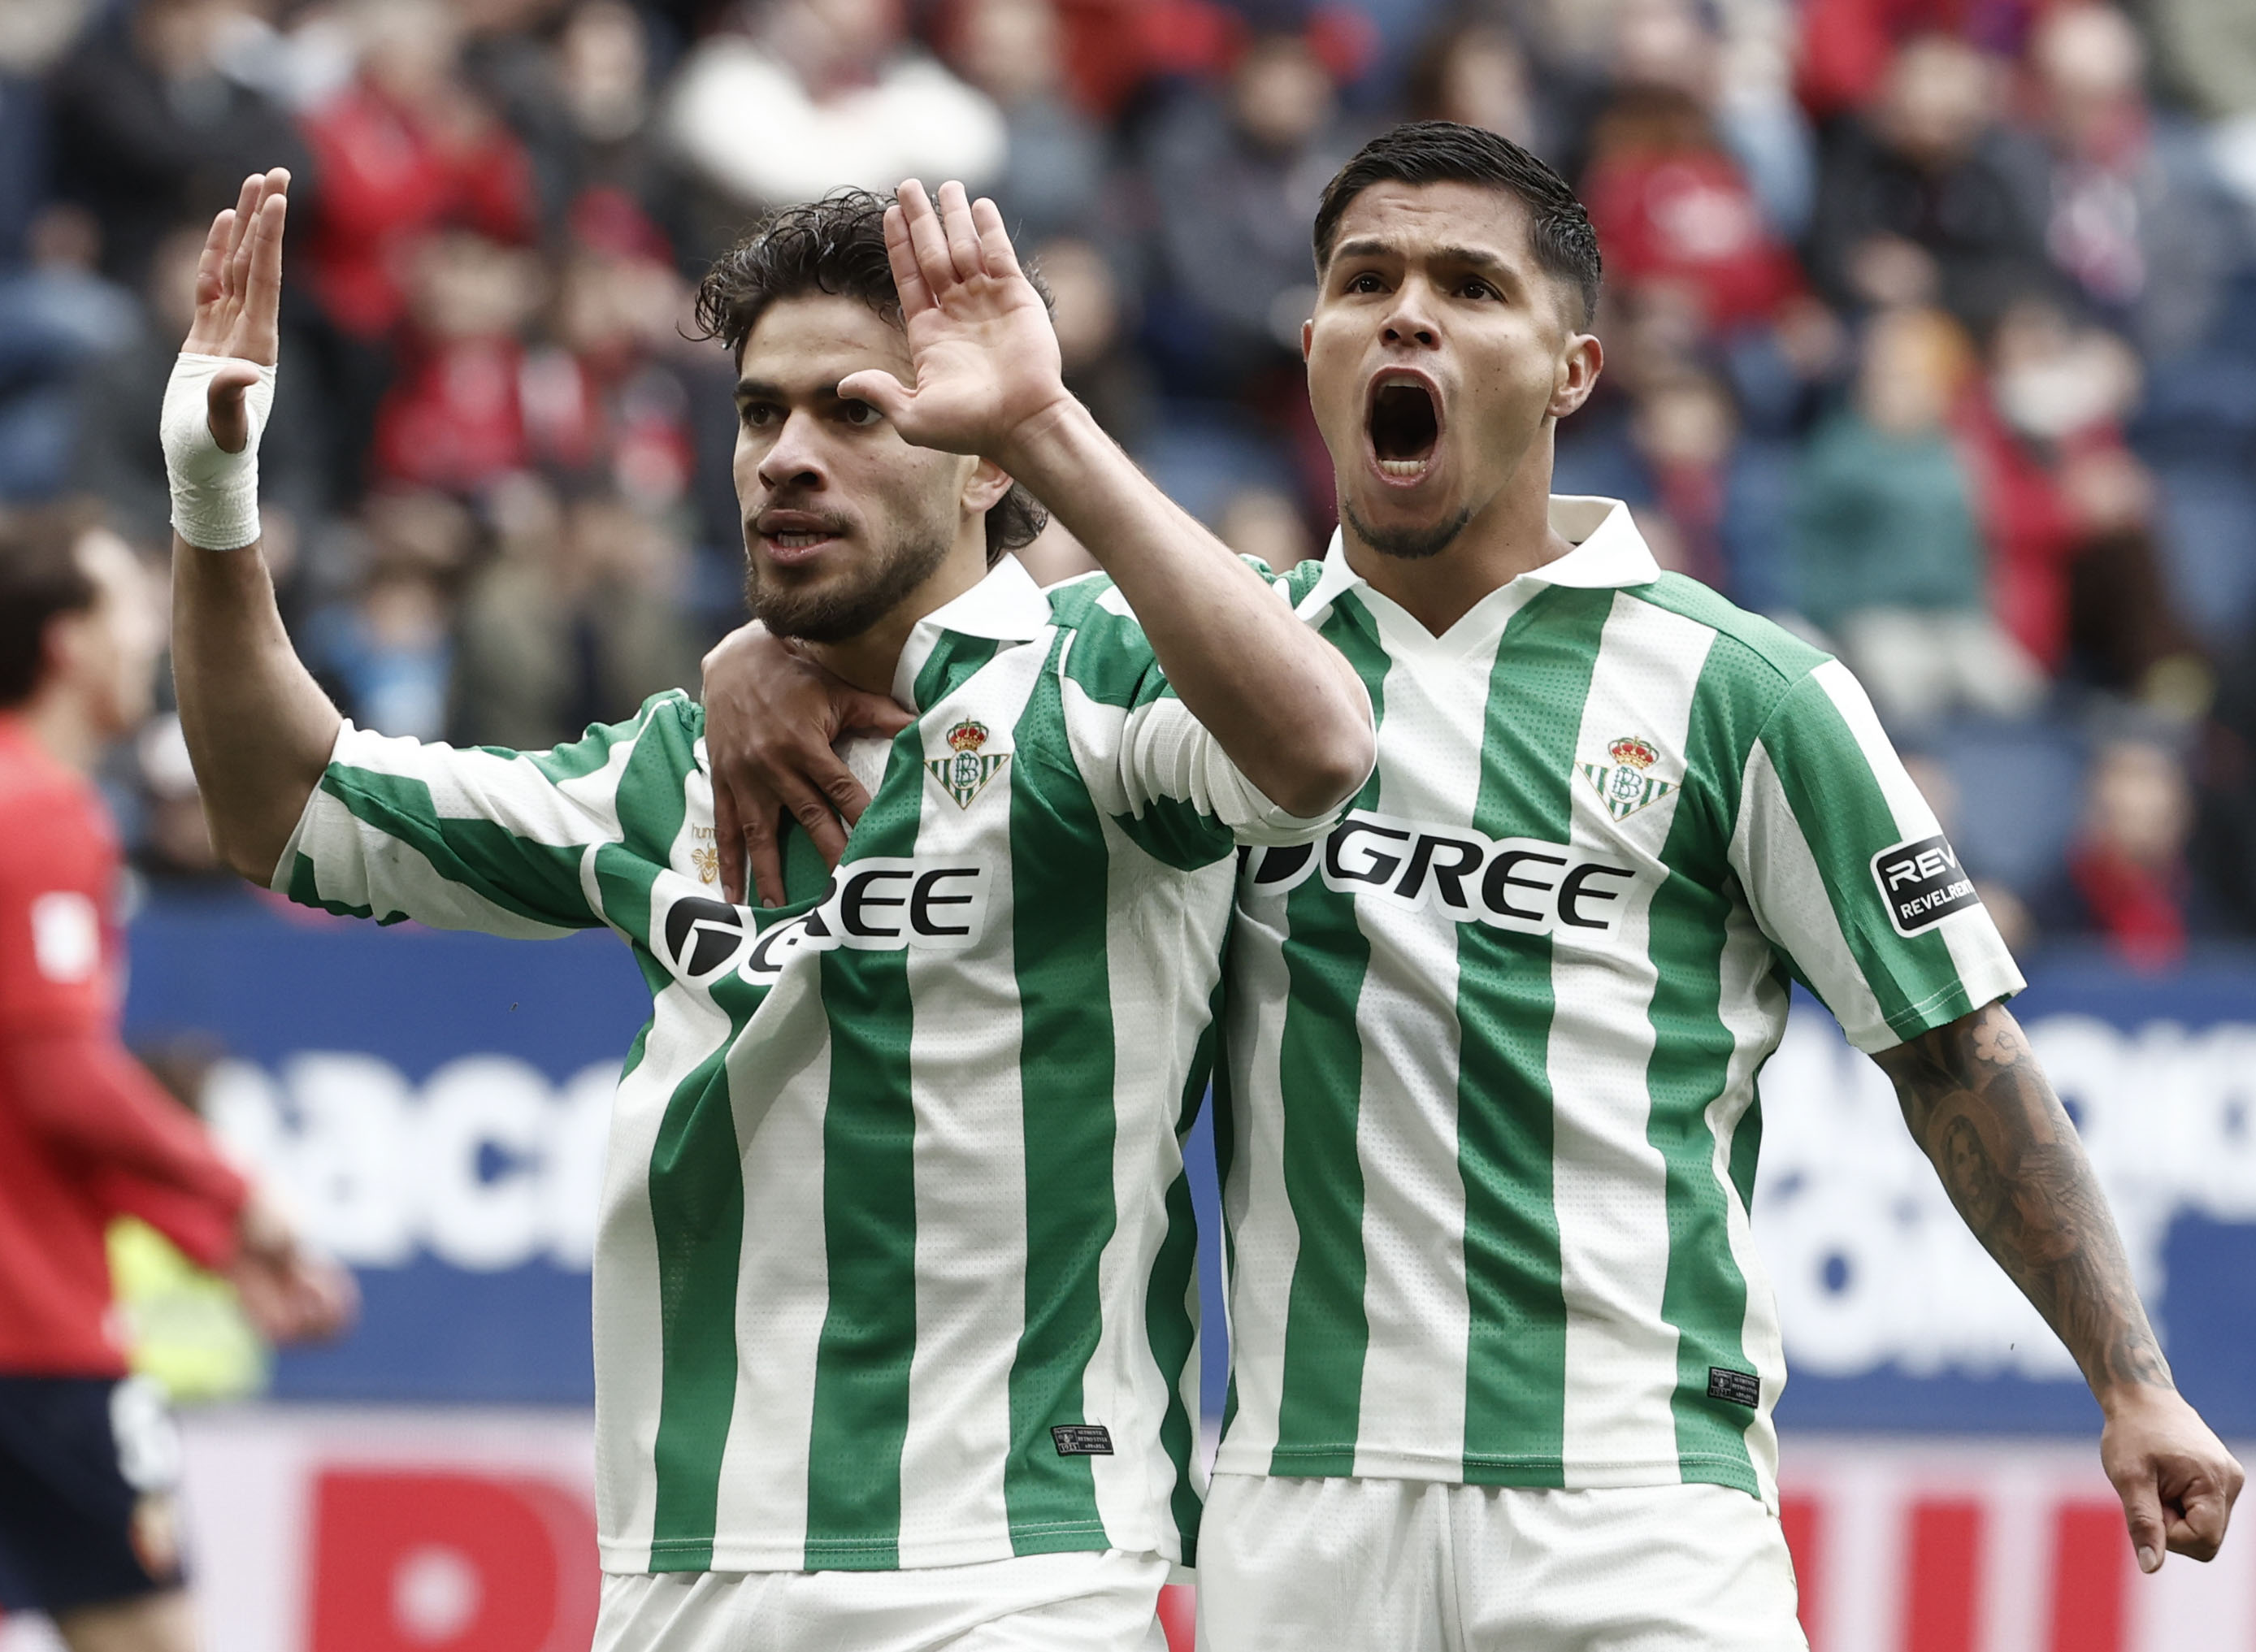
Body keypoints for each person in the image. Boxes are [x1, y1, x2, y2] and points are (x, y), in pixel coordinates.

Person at [705, 122, 2245, 1650]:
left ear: (1572, 370)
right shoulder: (1168, 667)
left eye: (1469, 285)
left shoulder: (1741, 690)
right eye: (1366, 280)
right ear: (1311, 345)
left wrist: (2130, 1378)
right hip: (1304, 1514)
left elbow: (1953, 1049)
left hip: (1637, 1502)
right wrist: (760, 656)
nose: (1408, 313)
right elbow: (901, 629)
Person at [162, 170, 1373, 1650]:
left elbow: (1317, 747)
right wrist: (213, 496)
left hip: (1014, 1570)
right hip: (684, 1576)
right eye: (758, 414)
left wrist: (1043, 430)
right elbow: (281, 808)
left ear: (983, 460)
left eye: (854, 413)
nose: (784, 457)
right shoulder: (668, 765)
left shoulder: (1105, 687)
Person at [0, 516, 354, 1652]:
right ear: (66, 645)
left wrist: (208, 1234)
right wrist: (238, 1192)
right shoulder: (41, 807)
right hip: (13, 1324)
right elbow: (61, 1080)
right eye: (121, 609)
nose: (147, 635)